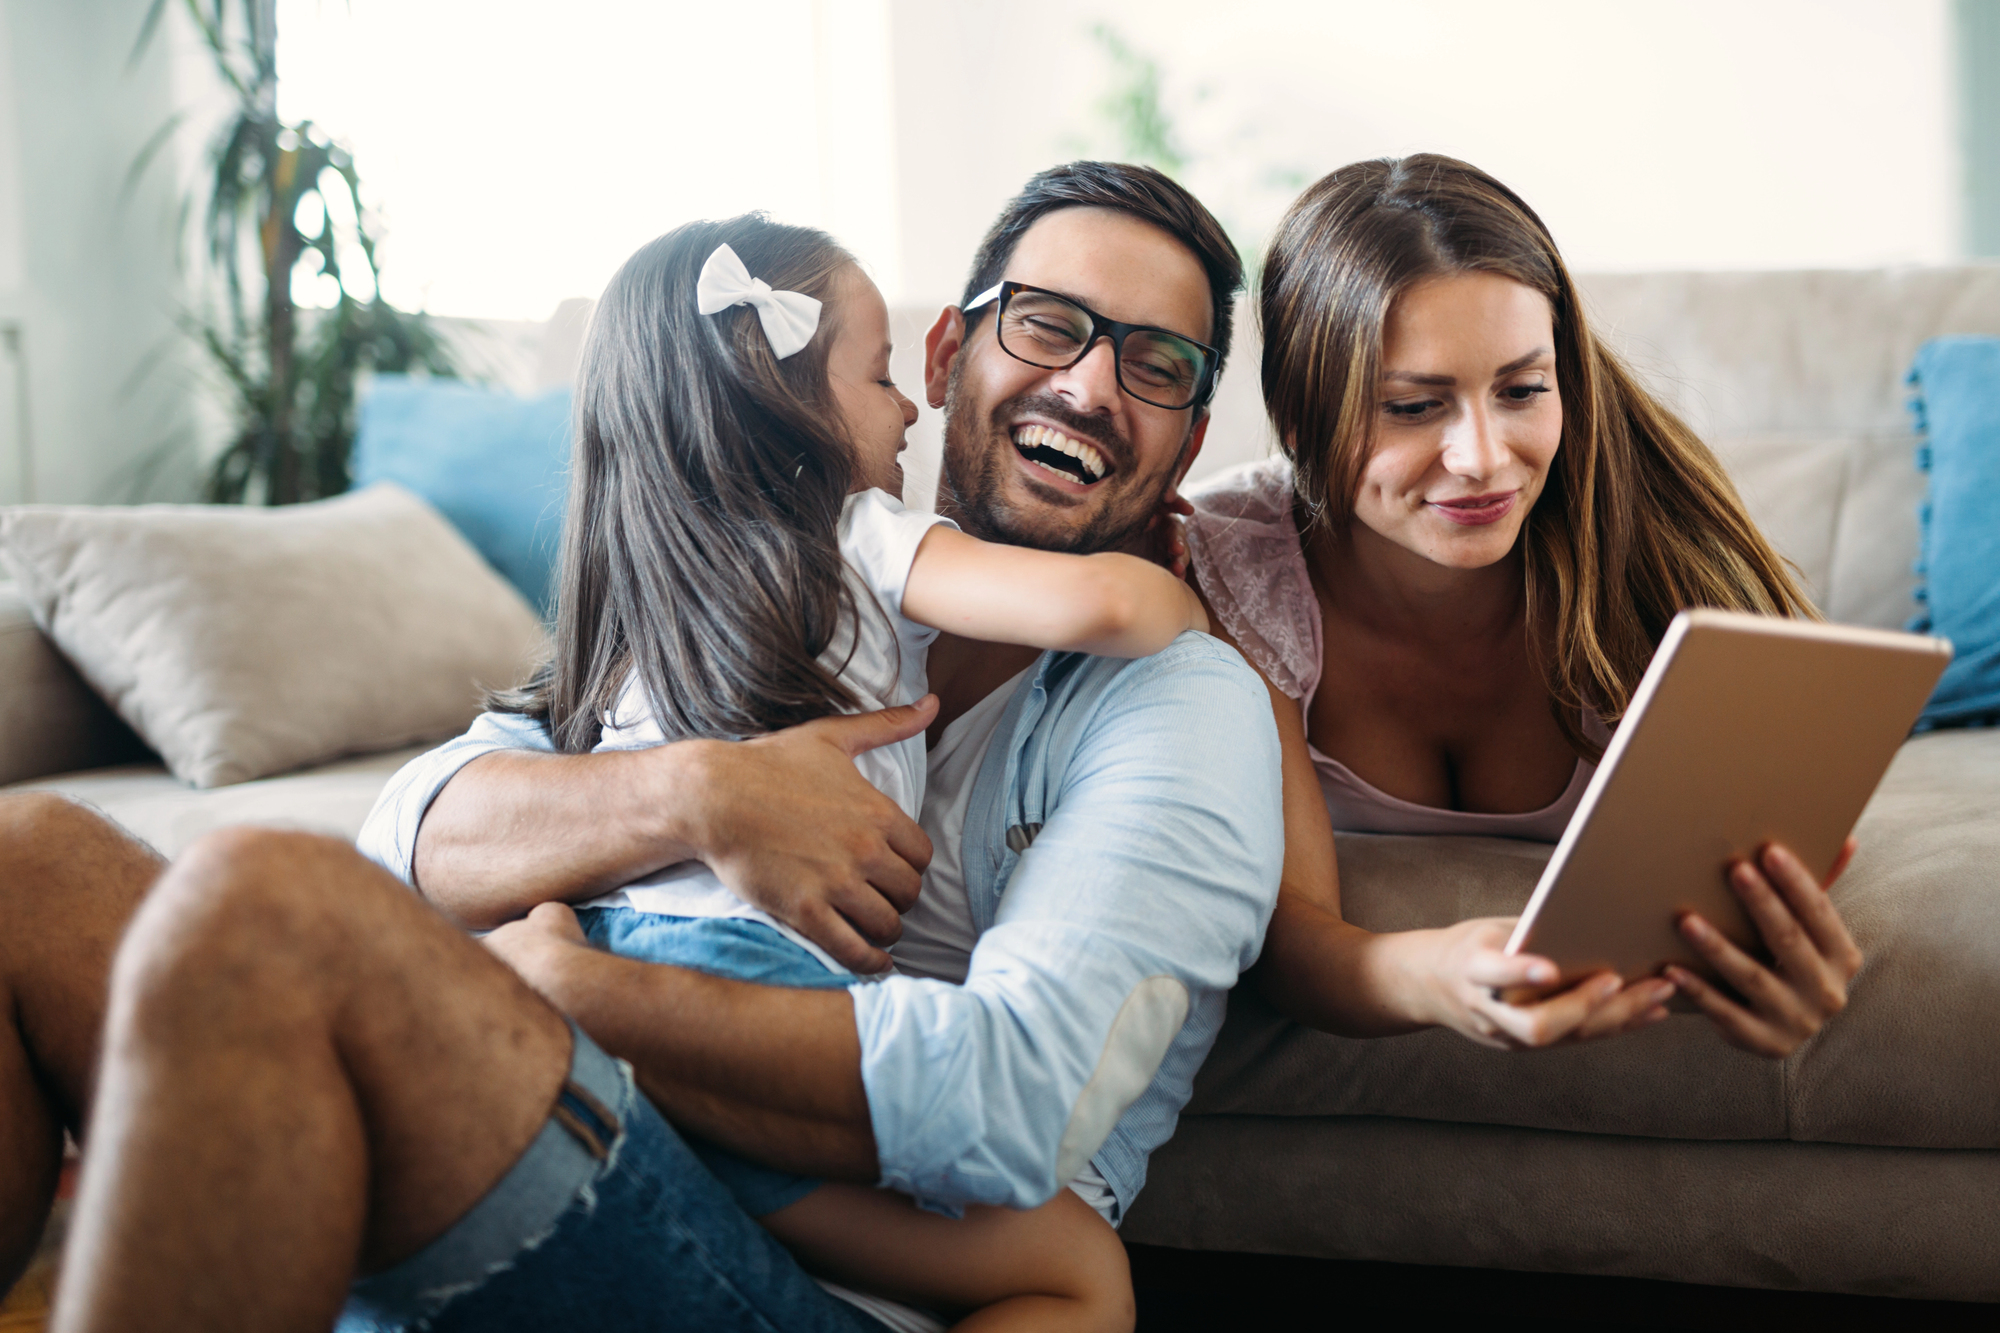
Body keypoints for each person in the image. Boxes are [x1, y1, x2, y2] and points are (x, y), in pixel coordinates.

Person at [3, 161, 1281, 1333]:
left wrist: (573, 992)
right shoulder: (763, 578)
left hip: (816, 1264)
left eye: (1157, 366)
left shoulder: (1174, 704)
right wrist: (694, 794)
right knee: (31, 861)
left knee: (263, 897)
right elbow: (409, 831)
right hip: (565, 1124)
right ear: (946, 352)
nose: (1091, 387)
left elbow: (1019, 1105)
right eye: (1049, 326)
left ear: (1187, 436)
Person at [503, 209, 1206, 1331]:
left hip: (608, 926)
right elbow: (1105, 604)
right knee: (1074, 1273)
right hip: (752, 973)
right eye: (880, 375)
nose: (904, 409)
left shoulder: (643, 582)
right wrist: (1183, 585)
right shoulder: (858, 534)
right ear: (791, 407)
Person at [1184, 154, 1864, 1056]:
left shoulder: (1653, 537)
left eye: (1521, 390)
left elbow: (1766, 863)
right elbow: (1289, 933)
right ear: (1301, 419)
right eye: (1414, 405)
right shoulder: (1233, 565)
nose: (1484, 457)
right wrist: (1437, 974)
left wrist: (1769, 966)